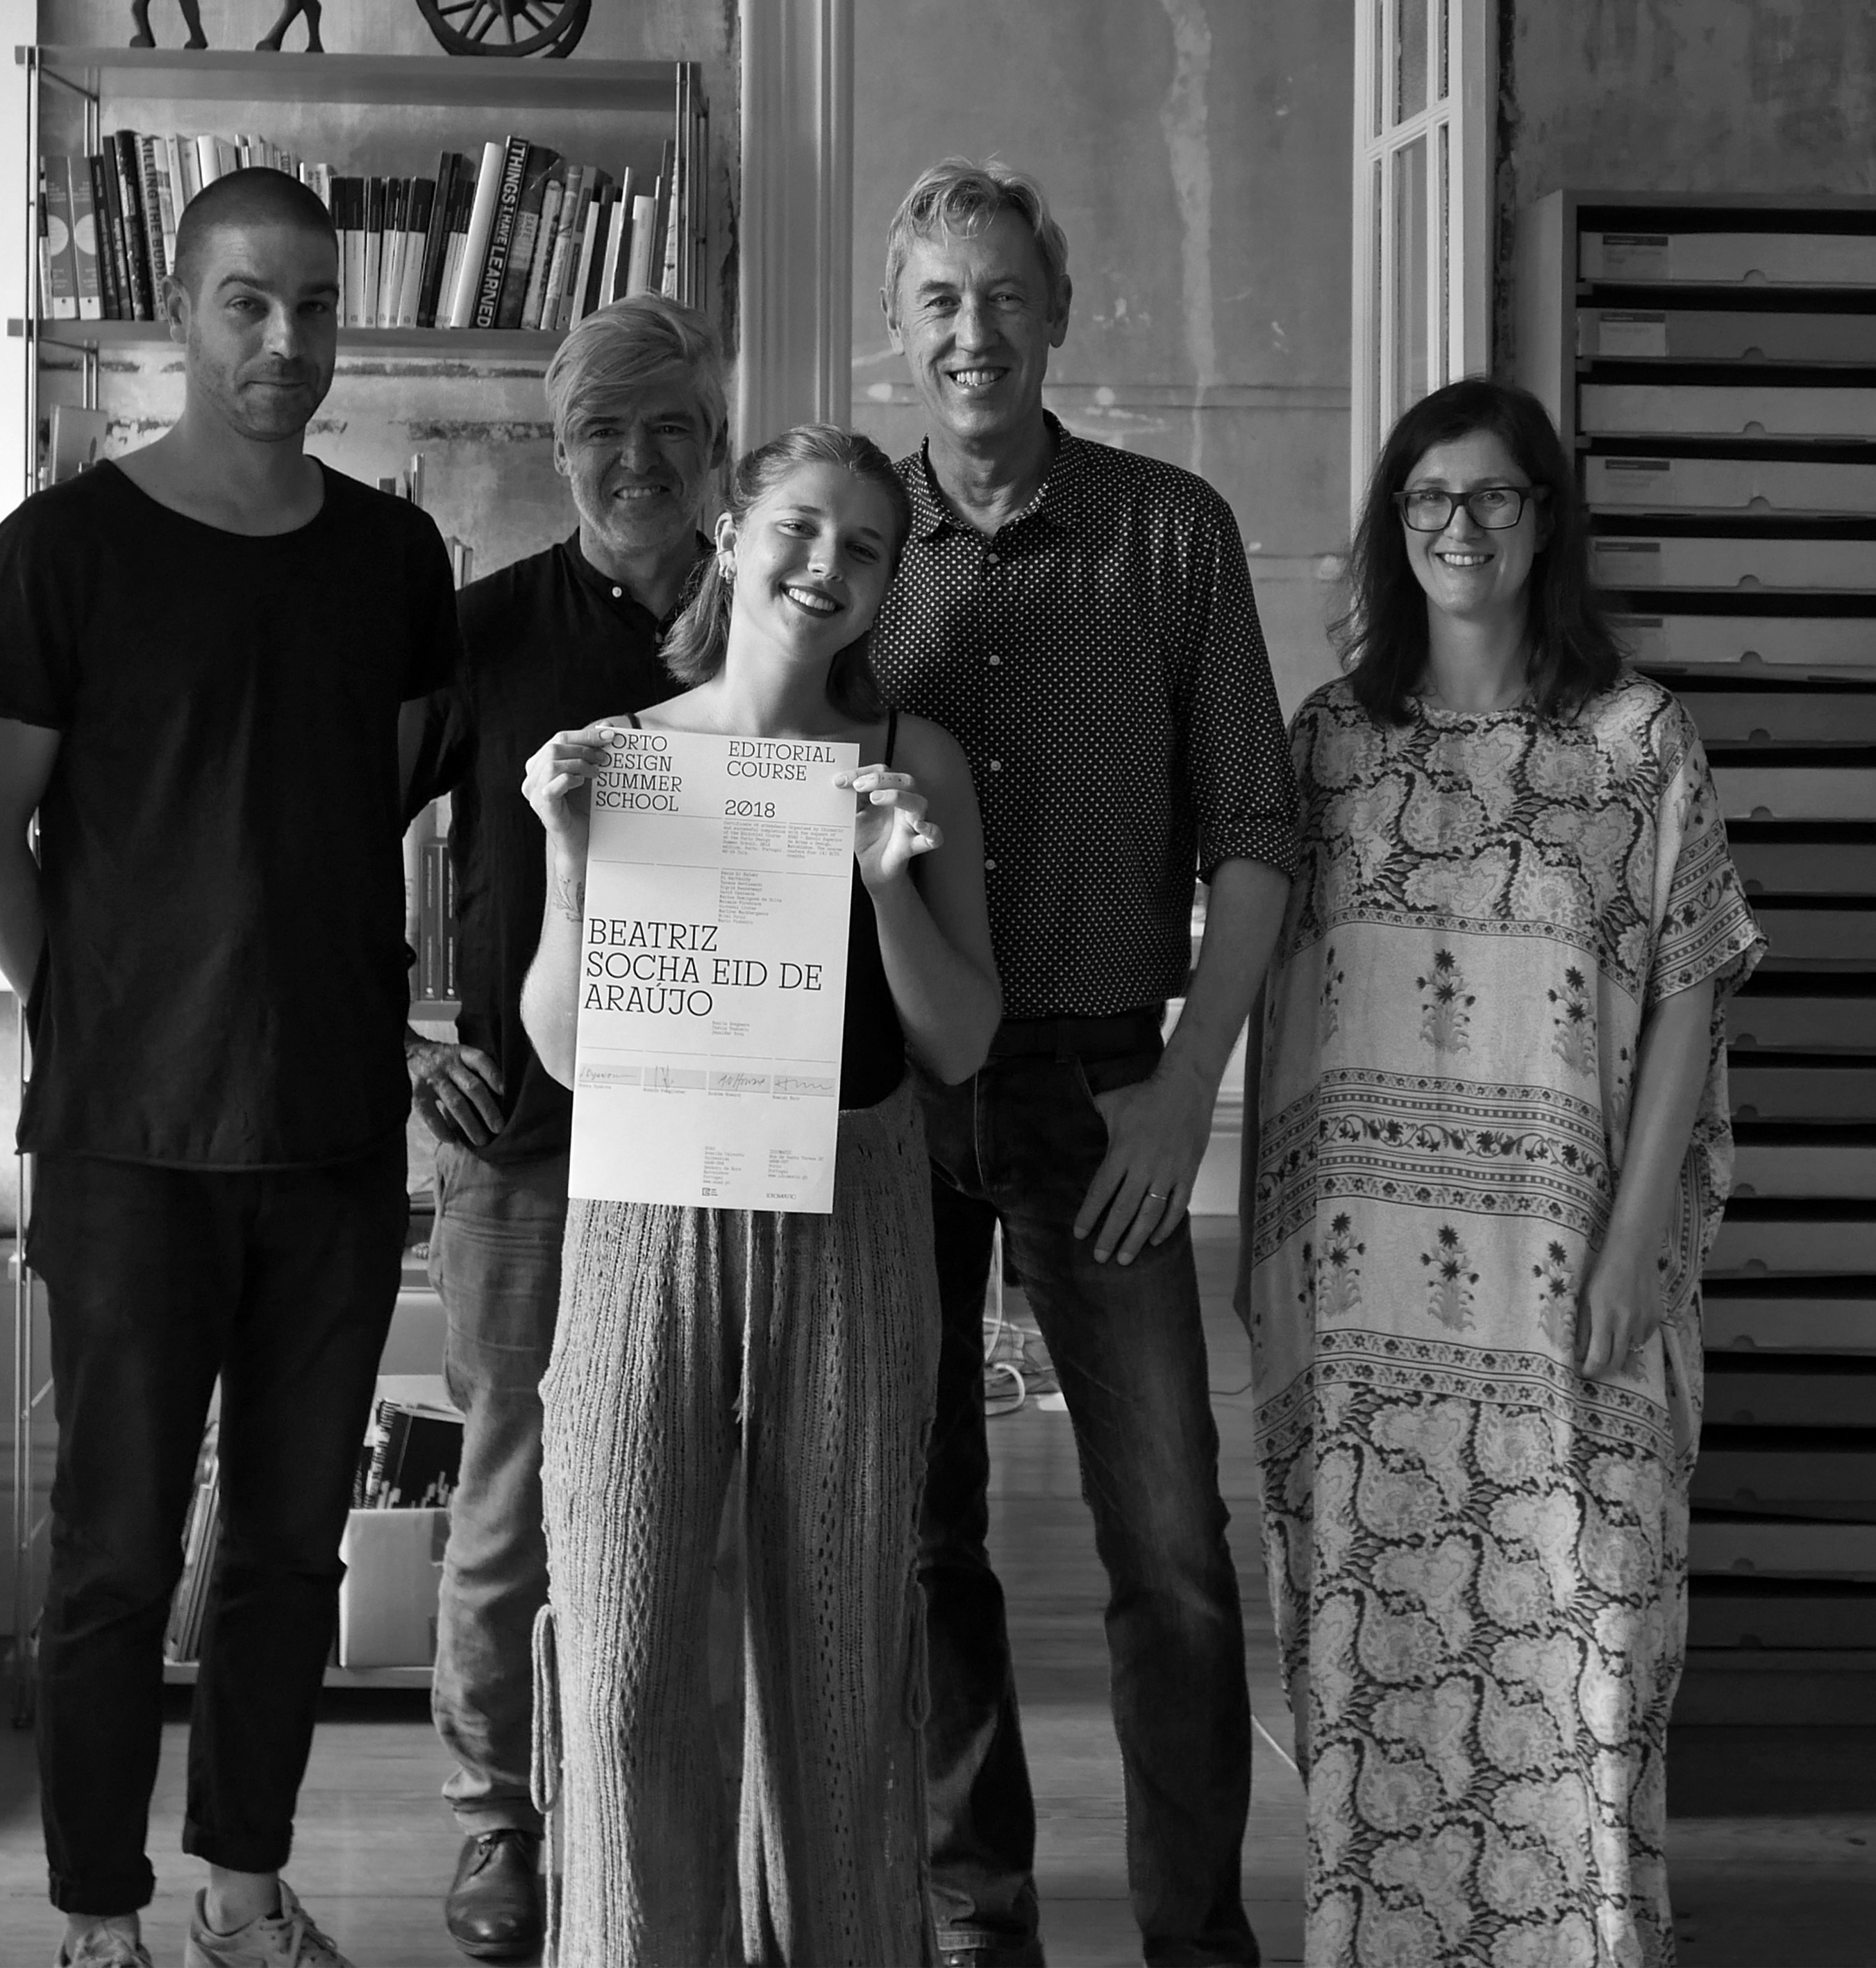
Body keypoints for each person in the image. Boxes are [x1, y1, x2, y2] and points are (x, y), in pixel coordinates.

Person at [0, 170, 461, 1968]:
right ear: (180, 311)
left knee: (292, 1547)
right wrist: (94, 1021)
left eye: (314, 303)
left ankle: (245, 1890)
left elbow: (372, 800)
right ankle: (100, 1917)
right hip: (128, 1141)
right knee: (112, 1552)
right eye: (248, 301)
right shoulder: (59, 552)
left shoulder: (395, 559)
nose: (285, 339)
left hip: (330, 1135)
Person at [1246, 377, 1764, 1966]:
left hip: (1565, 1284)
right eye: (1426, 499)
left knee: (1586, 1637)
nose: (1457, 526)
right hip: (1366, 1311)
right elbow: (1273, 989)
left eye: (1490, 495)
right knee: (1376, 1660)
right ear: (1391, 528)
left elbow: (1690, 983)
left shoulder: (1635, 742)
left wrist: (1632, 1240)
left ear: (1544, 521)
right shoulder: (1329, 744)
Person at [869, 159, 1297, 1968]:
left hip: (1108, 1085)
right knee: (919, 1535)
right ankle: (976, 1914)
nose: (972, 330)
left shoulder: (1170, 531)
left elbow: (1256, 830)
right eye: (939, 301)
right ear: (899, 330)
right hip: (888, 1095)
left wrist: (1189, 1087)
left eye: (1002, 294)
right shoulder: (845, 536)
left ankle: (1192, 1935)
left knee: (1172, 1551)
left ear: (1057, 311)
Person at [519, 422, 1002, 1967]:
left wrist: (881, 882)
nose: (824, 564)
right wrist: (571, 856)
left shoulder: (912, 759)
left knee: (840, 1666)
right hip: (644, 1217)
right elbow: (567, 1049)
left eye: (863, 545)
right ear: (730, 535)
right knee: (621, 1650)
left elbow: (961, 1037)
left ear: (887, 581)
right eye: (798, 525)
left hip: (852, 1212)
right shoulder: (621, 753)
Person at [398, 291, 727, 1962]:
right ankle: (494, 1824)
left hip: (726, 1147)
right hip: (525, 1141)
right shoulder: (477, 630)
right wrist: (395, 1039)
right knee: (510, 1499)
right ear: (557, 451)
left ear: (715, 443)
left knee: (700, 1498)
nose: (635, 457)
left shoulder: (773, 622)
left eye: (667, 424)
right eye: (600, 428)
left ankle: (657, 1809)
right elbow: (320, 827)